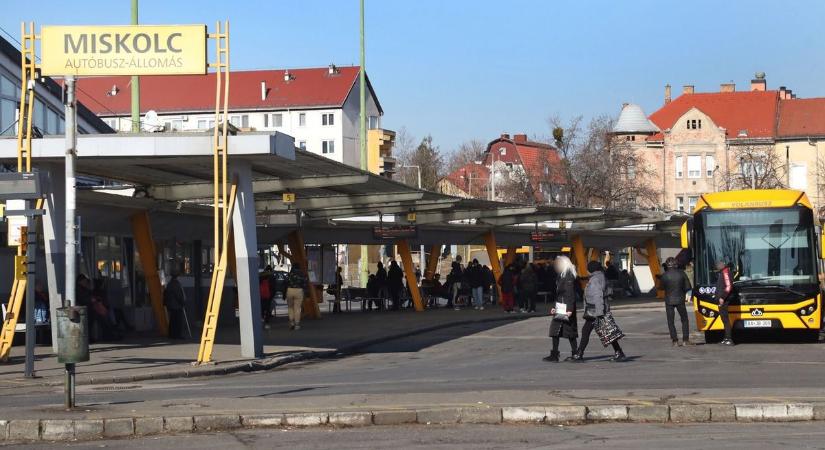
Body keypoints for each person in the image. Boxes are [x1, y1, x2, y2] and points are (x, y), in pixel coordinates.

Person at [573, 261, 626, 362]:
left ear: (591, 269)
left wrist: (599, 312)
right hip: (598, 310)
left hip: (595, 311)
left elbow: (598, 296)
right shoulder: (601, 276)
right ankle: (619, 352)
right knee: (607, 331)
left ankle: (579, 354)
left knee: (587, 331)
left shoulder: (595, 279)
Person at [545, 256, 578, 362]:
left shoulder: (568, 275)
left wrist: (570, 309)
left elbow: (570, 293)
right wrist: (554, 307)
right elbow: (559, 294)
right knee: (555, 331)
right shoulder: (561, 275)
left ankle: (575, 353)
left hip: (565, 307)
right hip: (560, 306)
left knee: (569, 332)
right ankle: (555, 354)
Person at [660, 257, 692, 346]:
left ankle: (675, 341)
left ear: (667, 265)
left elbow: (660, 287)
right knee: (684, 319)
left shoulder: (664, 275)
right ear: (675, 264)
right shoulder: (682, 274)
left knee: (670, 321)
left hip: (669, 300)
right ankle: (685, 340)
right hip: (680, 299)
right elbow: (687, 287)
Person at [715, 259, 735, 345]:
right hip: (722, 299)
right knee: (724, 319)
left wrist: (722, 297)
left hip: (724, 300)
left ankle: (729, 339)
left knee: (725, 319)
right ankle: (726, 338)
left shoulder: (725, 272)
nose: (717, 266)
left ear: (722, 265)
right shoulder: (723, 272)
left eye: (718, 265)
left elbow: (728, 286)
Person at [164, 270, 186, 339]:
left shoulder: (169, 284)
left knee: (172, 320)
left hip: (171, 305)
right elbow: (178, 295)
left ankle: (171, 334)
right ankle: (177, 335)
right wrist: (182, 302)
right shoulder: (176, 284)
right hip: (177, 305)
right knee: (178, 321)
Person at [286, 264, 308, 330]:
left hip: (289, 290)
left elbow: (285, 283)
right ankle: (297, 324)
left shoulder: (289, 275)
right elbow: (305, 283)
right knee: (297, 308)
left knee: (290, 307)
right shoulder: (302, 274)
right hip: (299, 290)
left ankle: (291, 322)